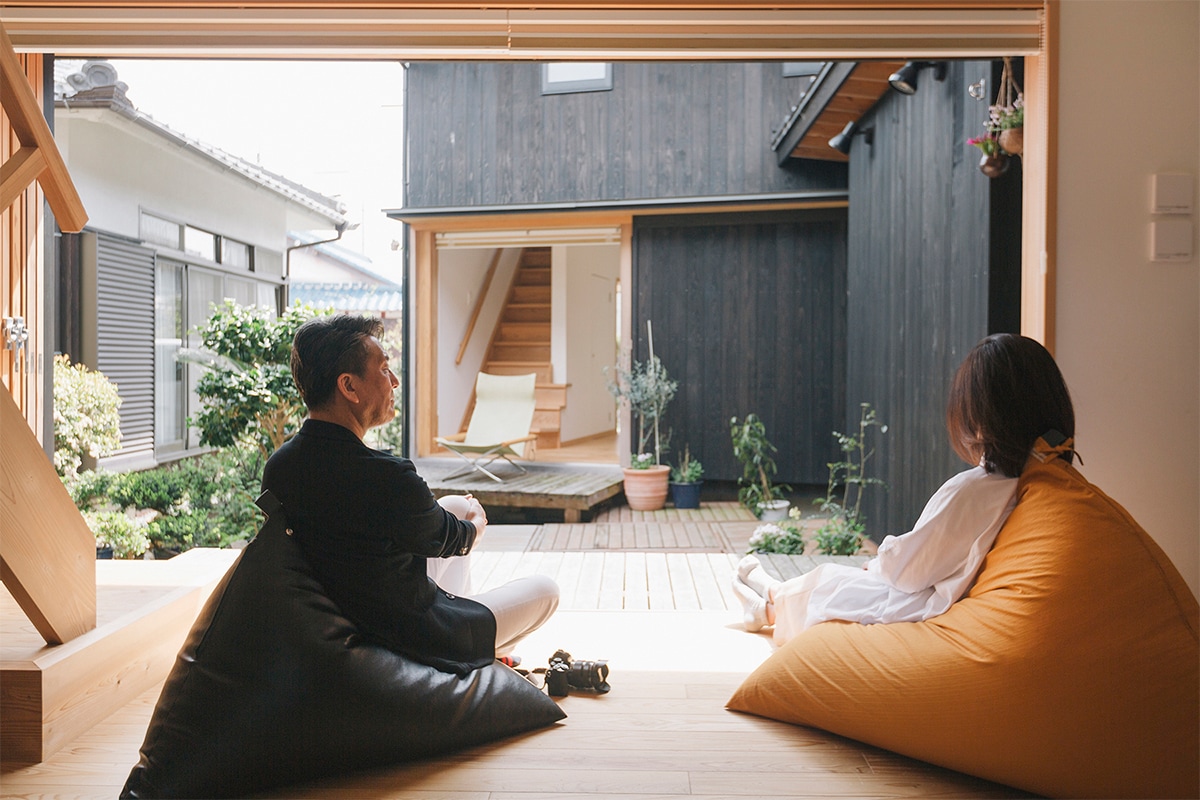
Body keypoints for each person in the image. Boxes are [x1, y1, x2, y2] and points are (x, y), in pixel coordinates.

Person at [261, 314, 559, 675]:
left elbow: (432, 532)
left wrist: (460, 522)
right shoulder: (386, 476)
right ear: (349, 387)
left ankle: (473, 631)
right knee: (546, 590)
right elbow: (450, 538)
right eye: (384, 369)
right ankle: (472, 649)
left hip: (349, 611)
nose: (395, 382)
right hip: (409, 633)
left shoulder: (280, 467)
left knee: (454, 506)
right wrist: (477, 526)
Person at [734, 333, 1075, 645]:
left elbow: (911, 570)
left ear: (978, 418)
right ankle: (769, 592)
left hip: (928, 602)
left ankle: (767, 608)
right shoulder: (1041, 479)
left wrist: (882, 561)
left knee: (836, 585)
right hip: (943, 590)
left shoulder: (977, 490)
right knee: (838, 580)